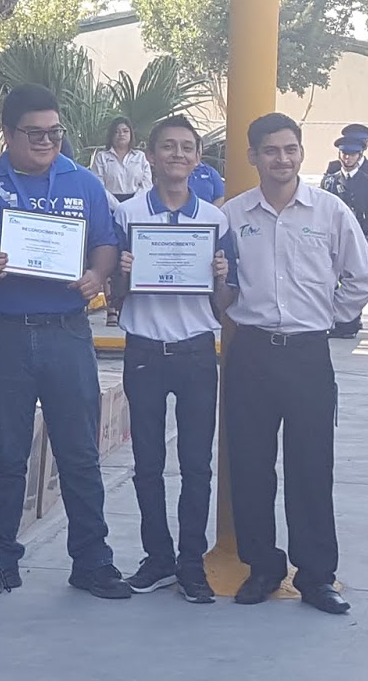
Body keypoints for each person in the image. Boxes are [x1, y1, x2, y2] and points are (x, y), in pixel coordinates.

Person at [0, 83, 127, 599]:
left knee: (79, 452)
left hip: (66, 332)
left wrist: (96, 275)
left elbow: (105, 243)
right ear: (8, 134)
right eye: (35, 133)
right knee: (6, 454)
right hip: (3, 333)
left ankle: (92, 561)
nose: (47, 142)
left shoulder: (84, 183)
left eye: (54, 132)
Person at [221, 113, 368, 615]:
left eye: (290, 149)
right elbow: (216, 283)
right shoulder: (232, 215)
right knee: (250, 466)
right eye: (271, 150)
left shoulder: (330, 211)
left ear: (302, 154)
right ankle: (263, 567)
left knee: (311, 466)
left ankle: (316, 576)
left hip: (308, 354)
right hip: (250, 352)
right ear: (253, 156)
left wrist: (329, 317)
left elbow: (365, 277)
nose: (281, 159)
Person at [110, 116, 233, 604]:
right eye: (167, 147)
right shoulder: (128, 214)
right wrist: (122, 273)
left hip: (197, 350)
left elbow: (225, 303)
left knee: (197, 464)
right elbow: (115, 294)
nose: (177, 155)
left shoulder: (215, 220)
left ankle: (191, 562)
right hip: (144, 349)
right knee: (147, 462)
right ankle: (157, 558)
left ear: (198, 158)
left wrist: (221, 276)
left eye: (186, 147)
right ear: (151, 156)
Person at [320, 136, 368, 339]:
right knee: (331, 279)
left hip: (358, 236)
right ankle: (332, 320)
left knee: (356, 278)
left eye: (352, 154)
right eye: (344, 154)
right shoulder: (330, 180)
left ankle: (350, 322)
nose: (347, 158)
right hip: (332, 236)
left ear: (359, 156)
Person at [90, 118, 150, 326]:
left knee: (133, 254)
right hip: (110, 208)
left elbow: (146, 184)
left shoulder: (140, 157)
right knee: (111, 254)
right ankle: (112, 308)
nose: (121, 134)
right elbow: (98, 185)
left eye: (125, 131)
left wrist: (132, 205)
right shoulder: (102, 157)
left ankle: (129, 303)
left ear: (131, 134)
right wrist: (118, 206)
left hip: (136, 208)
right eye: (117, 131)